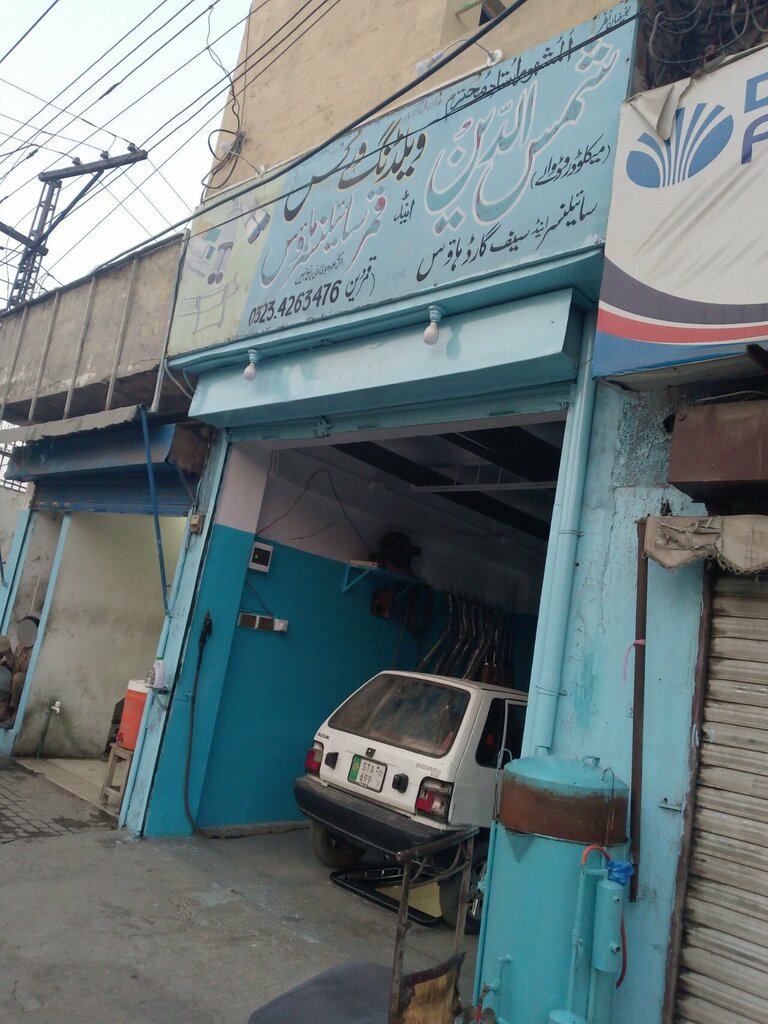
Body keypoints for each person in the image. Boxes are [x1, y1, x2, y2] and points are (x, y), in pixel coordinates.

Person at [0, 616, 39, 730]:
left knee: (17, 679)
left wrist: (14, 658)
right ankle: (5, 710)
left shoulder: (34, 649)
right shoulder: (20, 646)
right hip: (16, 675)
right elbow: (13, 663)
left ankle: (13, 714)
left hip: (25, 677)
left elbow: (28, 667)